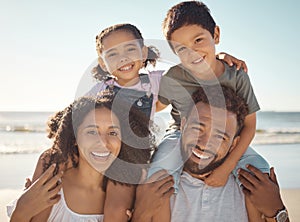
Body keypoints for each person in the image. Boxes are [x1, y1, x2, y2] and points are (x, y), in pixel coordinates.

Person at [22, 22, 249, 221]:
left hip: (132, 159)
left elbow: (190, 70)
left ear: (142, 52)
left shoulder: (156, 83)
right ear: (103, 63)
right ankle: (30, 200)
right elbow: (76, 117)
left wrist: (218, 57)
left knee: (117, 208)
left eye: (130, 49)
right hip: (104, 147)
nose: (123, 58)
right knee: (49, 159)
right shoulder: (101, 89)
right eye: (112, 54)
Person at [148, 1, 270, 192]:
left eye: (198, 40)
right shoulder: (173, 78)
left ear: (216, 35)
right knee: (157, 174)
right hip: (180, 135)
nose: (192, 53)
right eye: (181, 49)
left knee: (260, 171)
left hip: (226, 138)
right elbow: (156, 106)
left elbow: (249, 126)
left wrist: (226, 167)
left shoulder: (236, 76)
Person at [133, 85, 289, 222]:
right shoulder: (152, 188)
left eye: (220, 137)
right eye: (197, 129)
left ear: (234, 144)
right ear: (183, 125)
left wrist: (276, 211)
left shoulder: (253, 187)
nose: (204, 143)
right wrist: (140, 215)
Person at [7, 95, 154, 222]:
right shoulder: (52, 187)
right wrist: (21, 211)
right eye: (92, 132)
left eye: (113, 133)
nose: (103, 141)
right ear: (75, 138)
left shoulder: (126, 197)